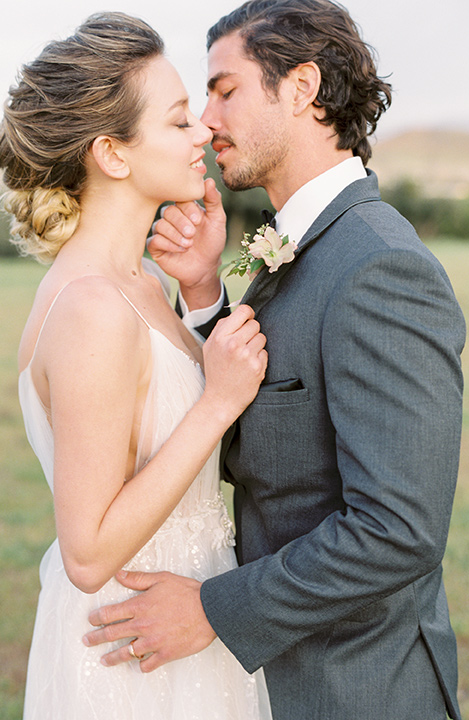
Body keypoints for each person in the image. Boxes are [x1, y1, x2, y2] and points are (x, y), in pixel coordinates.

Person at [83, 2, 465, 719]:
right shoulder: (299, 251)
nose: (206, 120)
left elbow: (398, 531)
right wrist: (202, 294)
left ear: (301, 89)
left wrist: (213, 610)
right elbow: (267, 444)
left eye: (225, 90)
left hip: (359, 692)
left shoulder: (379, 268)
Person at [0, 12, 272, 720]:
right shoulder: (91, 306)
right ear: (112, 155)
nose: (204, 133)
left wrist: (200, 287)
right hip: (131, 654)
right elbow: (87, 553)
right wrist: (219, 401)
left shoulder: (144, 282)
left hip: (187, 616)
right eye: (179, 120)